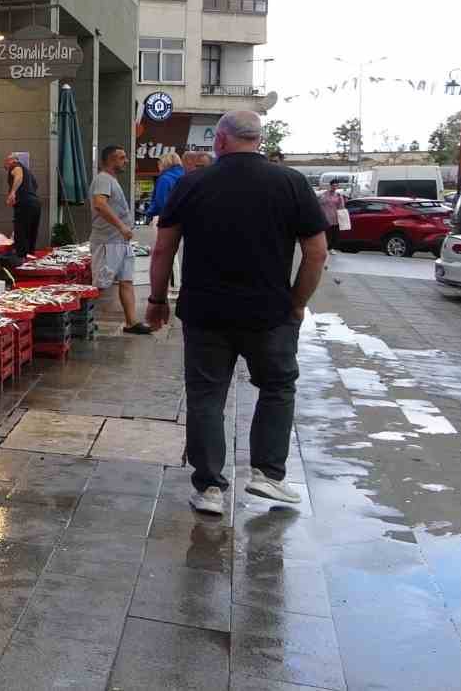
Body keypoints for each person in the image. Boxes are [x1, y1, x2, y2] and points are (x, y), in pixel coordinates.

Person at [146, 111, 328, 515]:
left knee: (207, 396)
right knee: (278, 387)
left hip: (206, 312)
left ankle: (209, 488)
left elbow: (163, 249)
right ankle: (267, 475)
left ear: (222, 141)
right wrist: (297, 303)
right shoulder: (292, 183)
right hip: (270, 313)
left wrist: (157, 300)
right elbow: (317, 254)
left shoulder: (193, 183)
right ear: (258, 141)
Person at [91, 145, 152, 335]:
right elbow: (99, 204)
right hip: (108, 242)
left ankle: (131, 322)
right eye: (122, 157)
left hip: (120, 242)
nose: (126, 161)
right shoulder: (103, 179)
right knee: (100, 284)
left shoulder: (111, 180)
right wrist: (121, 226)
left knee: (126, 280)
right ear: (110, 160)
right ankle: (80, 320)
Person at [147, 152, 186, 290]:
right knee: (174, 252)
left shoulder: (165, 179)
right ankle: (175, 284)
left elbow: (160, 202)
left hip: (164, 218)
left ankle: (172, 285)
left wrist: (149, 213)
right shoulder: (184, 176)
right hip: (181, 219)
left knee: (164, 253)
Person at [4, 154, 41, 261]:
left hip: (24, 204)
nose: (5, 167)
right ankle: (29, 261)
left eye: (5, 164)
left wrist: (13, 192)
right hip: (35, 204)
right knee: (30, 235)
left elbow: (18, 175)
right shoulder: (28, 172)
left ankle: (21, 262)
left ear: (10, 161)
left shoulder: (15, 166)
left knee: (21, 233)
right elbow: (35, 185)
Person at [320, 179, 347, 251]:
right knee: (327, 234)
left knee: (334, 234)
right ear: (330, 186)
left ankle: (331, 248)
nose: (334, 187)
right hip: (326, 217)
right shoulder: (324, 194)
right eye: (333, 185)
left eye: (336, 185)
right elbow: (320, 204)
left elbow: (342, 207)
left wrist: (342, 200)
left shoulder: (338, 195)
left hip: (335, 218)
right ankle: (325, 248)